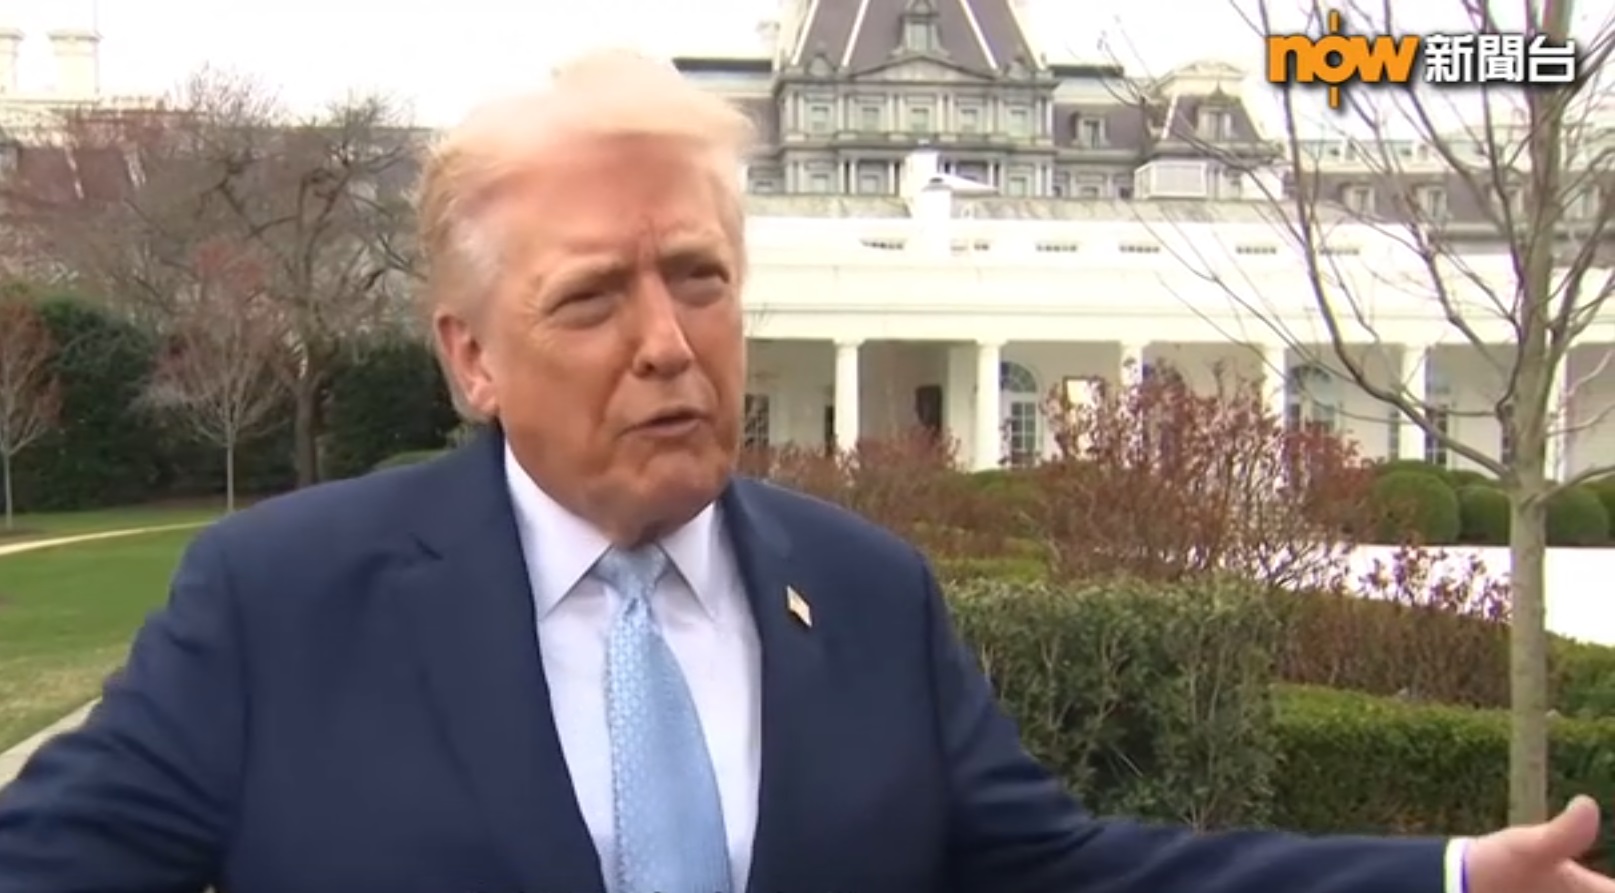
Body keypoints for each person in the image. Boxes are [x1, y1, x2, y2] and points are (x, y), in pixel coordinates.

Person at [0, 48, 1608, 893]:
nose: (668, 342)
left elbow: (1069, 872)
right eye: (593, 297)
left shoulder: (866, 594)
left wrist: (1449, 879)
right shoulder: (281, 607)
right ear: (471, 356)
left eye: (699, 278)